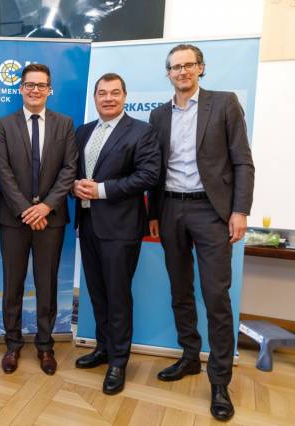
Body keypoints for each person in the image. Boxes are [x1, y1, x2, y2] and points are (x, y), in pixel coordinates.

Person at [148, 44, 254, 421]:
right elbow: (155, 169)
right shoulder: (158, 115)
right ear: (168, 73)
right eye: (175, 67)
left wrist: (240, 210)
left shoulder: (224, 104)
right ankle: (190, 357)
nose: (182, 72)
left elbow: (242, 160)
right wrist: (154, 213)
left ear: (201, 68)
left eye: (189, 65)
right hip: (171, 208)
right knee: (180, 290)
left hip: (212, 211)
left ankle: (220, 380)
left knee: (215, 295)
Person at [72, 73, 160, 395]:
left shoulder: (141, 131)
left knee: (118, 295)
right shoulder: (83, 132)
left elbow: (149, 175)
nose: (108, 98)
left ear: (125, 96)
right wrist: (75, 187)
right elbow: (77, 175)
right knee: (96, 291)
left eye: (114, 93)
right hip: (88, 225)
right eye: (102, 93)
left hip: (121, 228)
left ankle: (119, 362)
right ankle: (103, 348)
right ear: (95, 98)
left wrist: (102, 190)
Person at [0, 63, 78, 376]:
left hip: (51, 220)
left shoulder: (64, 124)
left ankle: (45, 345)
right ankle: (12, 345)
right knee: (12, 284)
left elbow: (70, 169)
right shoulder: (4, 124)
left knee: (46, 284)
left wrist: (45, 207)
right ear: (21, 89)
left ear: (49, 89)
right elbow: (2, 171)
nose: (35, 90)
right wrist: (27, 210)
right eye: (30, 85)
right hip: (14, 220)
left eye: (41, 85)